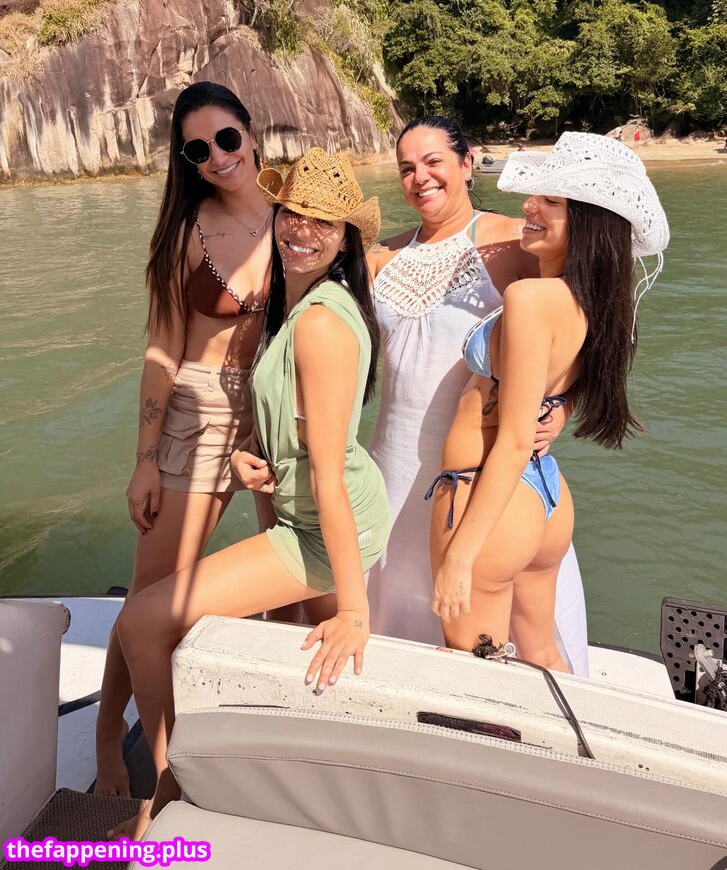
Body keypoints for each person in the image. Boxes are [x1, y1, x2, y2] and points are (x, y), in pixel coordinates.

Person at [112, 148, 390, 838]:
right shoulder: (299, 305)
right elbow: (306, 433)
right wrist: (256, 459)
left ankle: (171, 791)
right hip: (307, 516)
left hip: (325, 529)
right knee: (269, 644)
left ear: (347, 238)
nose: (302, 230)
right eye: (293, 213)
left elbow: (328, 474)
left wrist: (354, 611)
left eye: (323, 222)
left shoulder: (321, 321)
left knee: (142, 622)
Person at [95, 82, 275, 796]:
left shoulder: (295, 214)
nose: (218, 157)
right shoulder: (188, 231)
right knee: (150, 594)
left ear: (250, 132)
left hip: (270, 411)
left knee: (289, 578)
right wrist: (144, 461)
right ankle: (111, 735)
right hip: (196, 413)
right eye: (198, 150)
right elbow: (162, 350)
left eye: (226, 138)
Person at [429, 133, 669, 667]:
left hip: (488, 492)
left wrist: (460, 557)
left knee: (475, 669)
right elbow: (563, 383)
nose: (529, 207)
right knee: (541, 653)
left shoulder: (531, 299)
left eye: (551, 201)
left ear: (587, 223)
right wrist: (559, 408)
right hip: (547, 498)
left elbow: (515, 441)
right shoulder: (596, 302)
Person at [366, 116, 590, 675]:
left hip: (485, 472)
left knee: (477, 655)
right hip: (394, 465)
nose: (420, 178)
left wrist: (561, 403)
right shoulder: (379, 256)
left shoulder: (518, 241)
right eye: (406, 169)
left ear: (467, 164)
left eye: (433, 162)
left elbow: (594, 310)